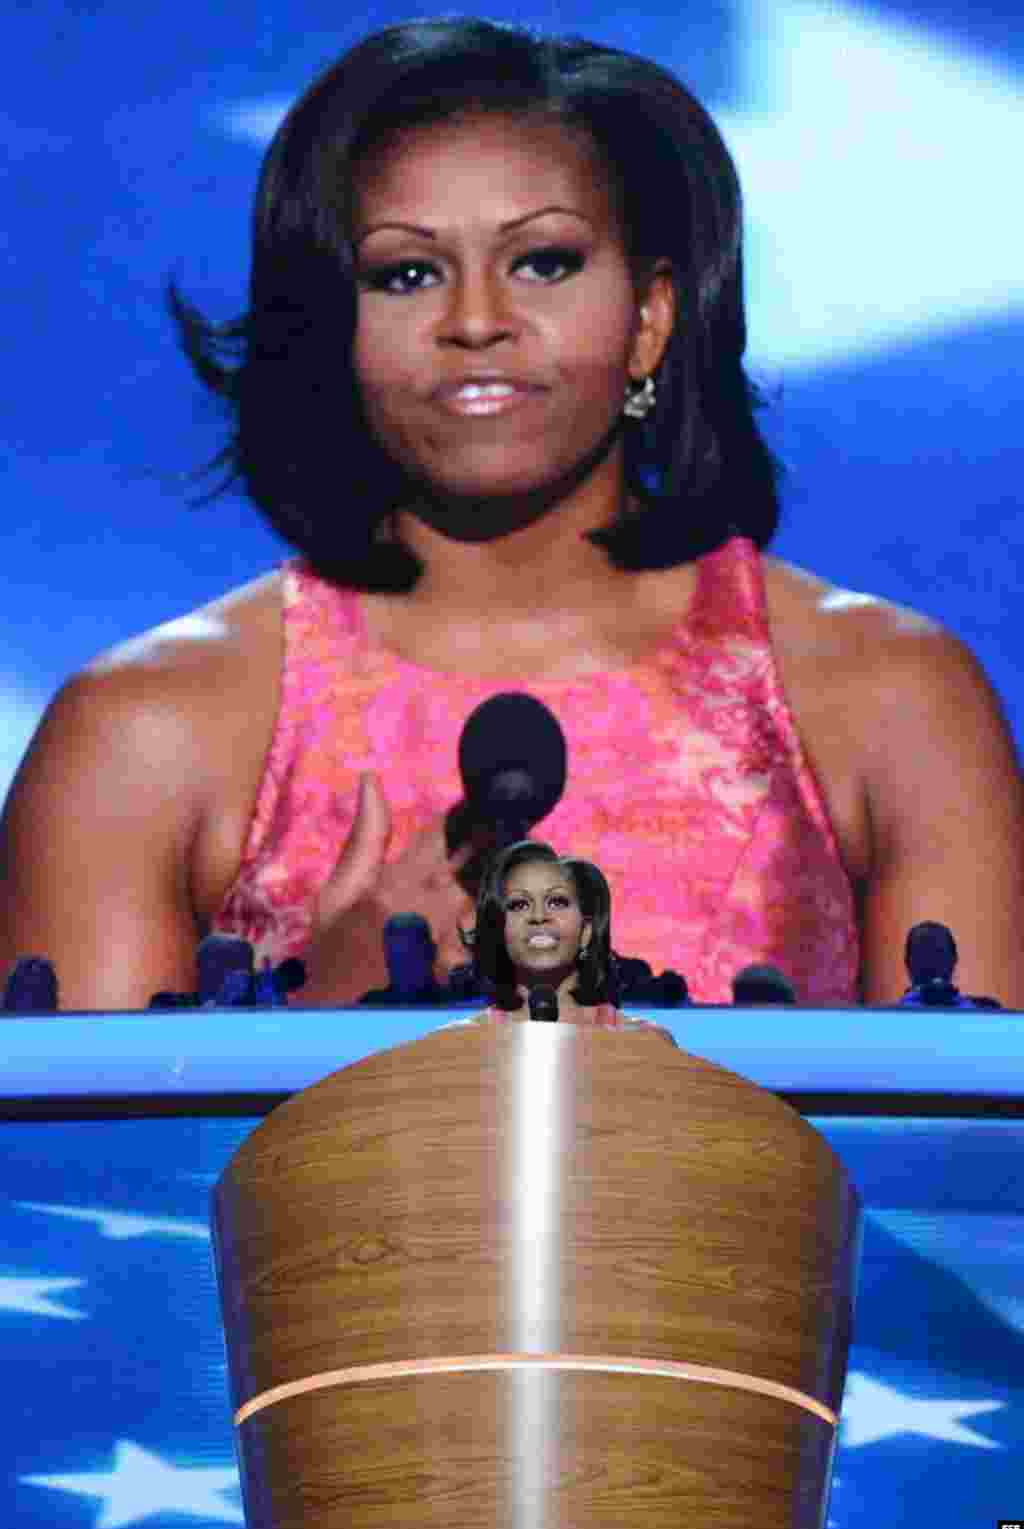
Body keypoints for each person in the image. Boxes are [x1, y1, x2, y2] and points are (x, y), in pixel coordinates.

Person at [2, 18, 1023, 1010]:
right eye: (405, 272)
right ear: (328, 332)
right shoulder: (143, 733)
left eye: (543, 261)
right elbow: (73, 1179)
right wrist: (321, 1012)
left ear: (651, 317)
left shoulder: (889, 700)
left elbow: (963, 1171)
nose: (477, 321)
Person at [444, 840, 675, 1039]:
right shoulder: (460, 1046)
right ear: (499, 932)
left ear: (586, 931)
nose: (538, 916)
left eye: (557, 902)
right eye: (519, 904)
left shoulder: (646, 1043)